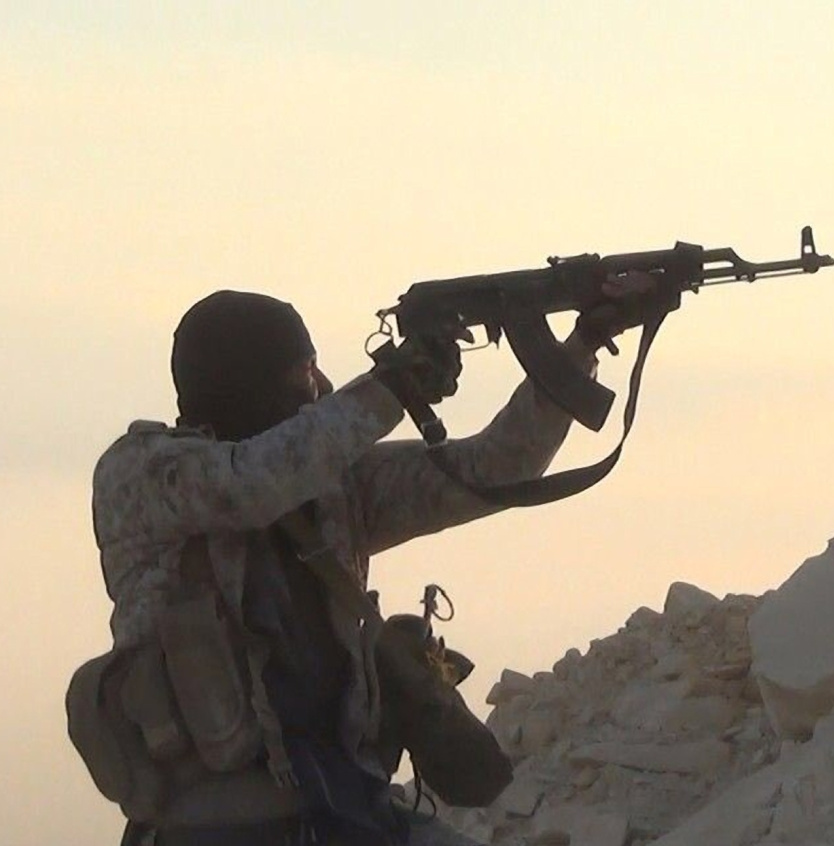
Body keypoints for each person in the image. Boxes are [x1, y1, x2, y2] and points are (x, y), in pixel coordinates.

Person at [87, 275, 660, 846]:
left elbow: (494, 468)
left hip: (348, 805)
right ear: (247, 382)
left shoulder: (331, 488)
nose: (319, 387)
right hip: (213, 825)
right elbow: (251, 485)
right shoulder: (143, 475)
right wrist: (393, 386)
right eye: (303, 371)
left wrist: (581, 345)